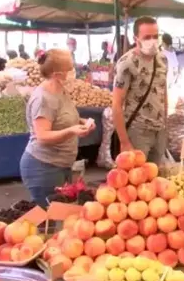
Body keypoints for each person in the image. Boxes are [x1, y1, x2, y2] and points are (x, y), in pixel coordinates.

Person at [20, 49, 95, 208]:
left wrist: (82, 122)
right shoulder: (43, 99)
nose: (73, 72)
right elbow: (42, 136)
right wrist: (72, 131)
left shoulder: (60, 89)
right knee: (47, 220)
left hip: (61, 165)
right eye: (70, 69)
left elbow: (62, 118)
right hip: (43, 167)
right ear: (56, 74)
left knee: (62, 215)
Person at [112, 16, 168, 164]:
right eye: (147, 37)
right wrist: (124, 141)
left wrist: (165, 123)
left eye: (155, 36)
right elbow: (116, 104)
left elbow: (163, 91)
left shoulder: (162, 59)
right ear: (136, 38)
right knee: (137, 179)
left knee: (157, 179)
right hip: (138, 131)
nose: (152, 41)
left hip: (159, 130)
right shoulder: (126, 63)